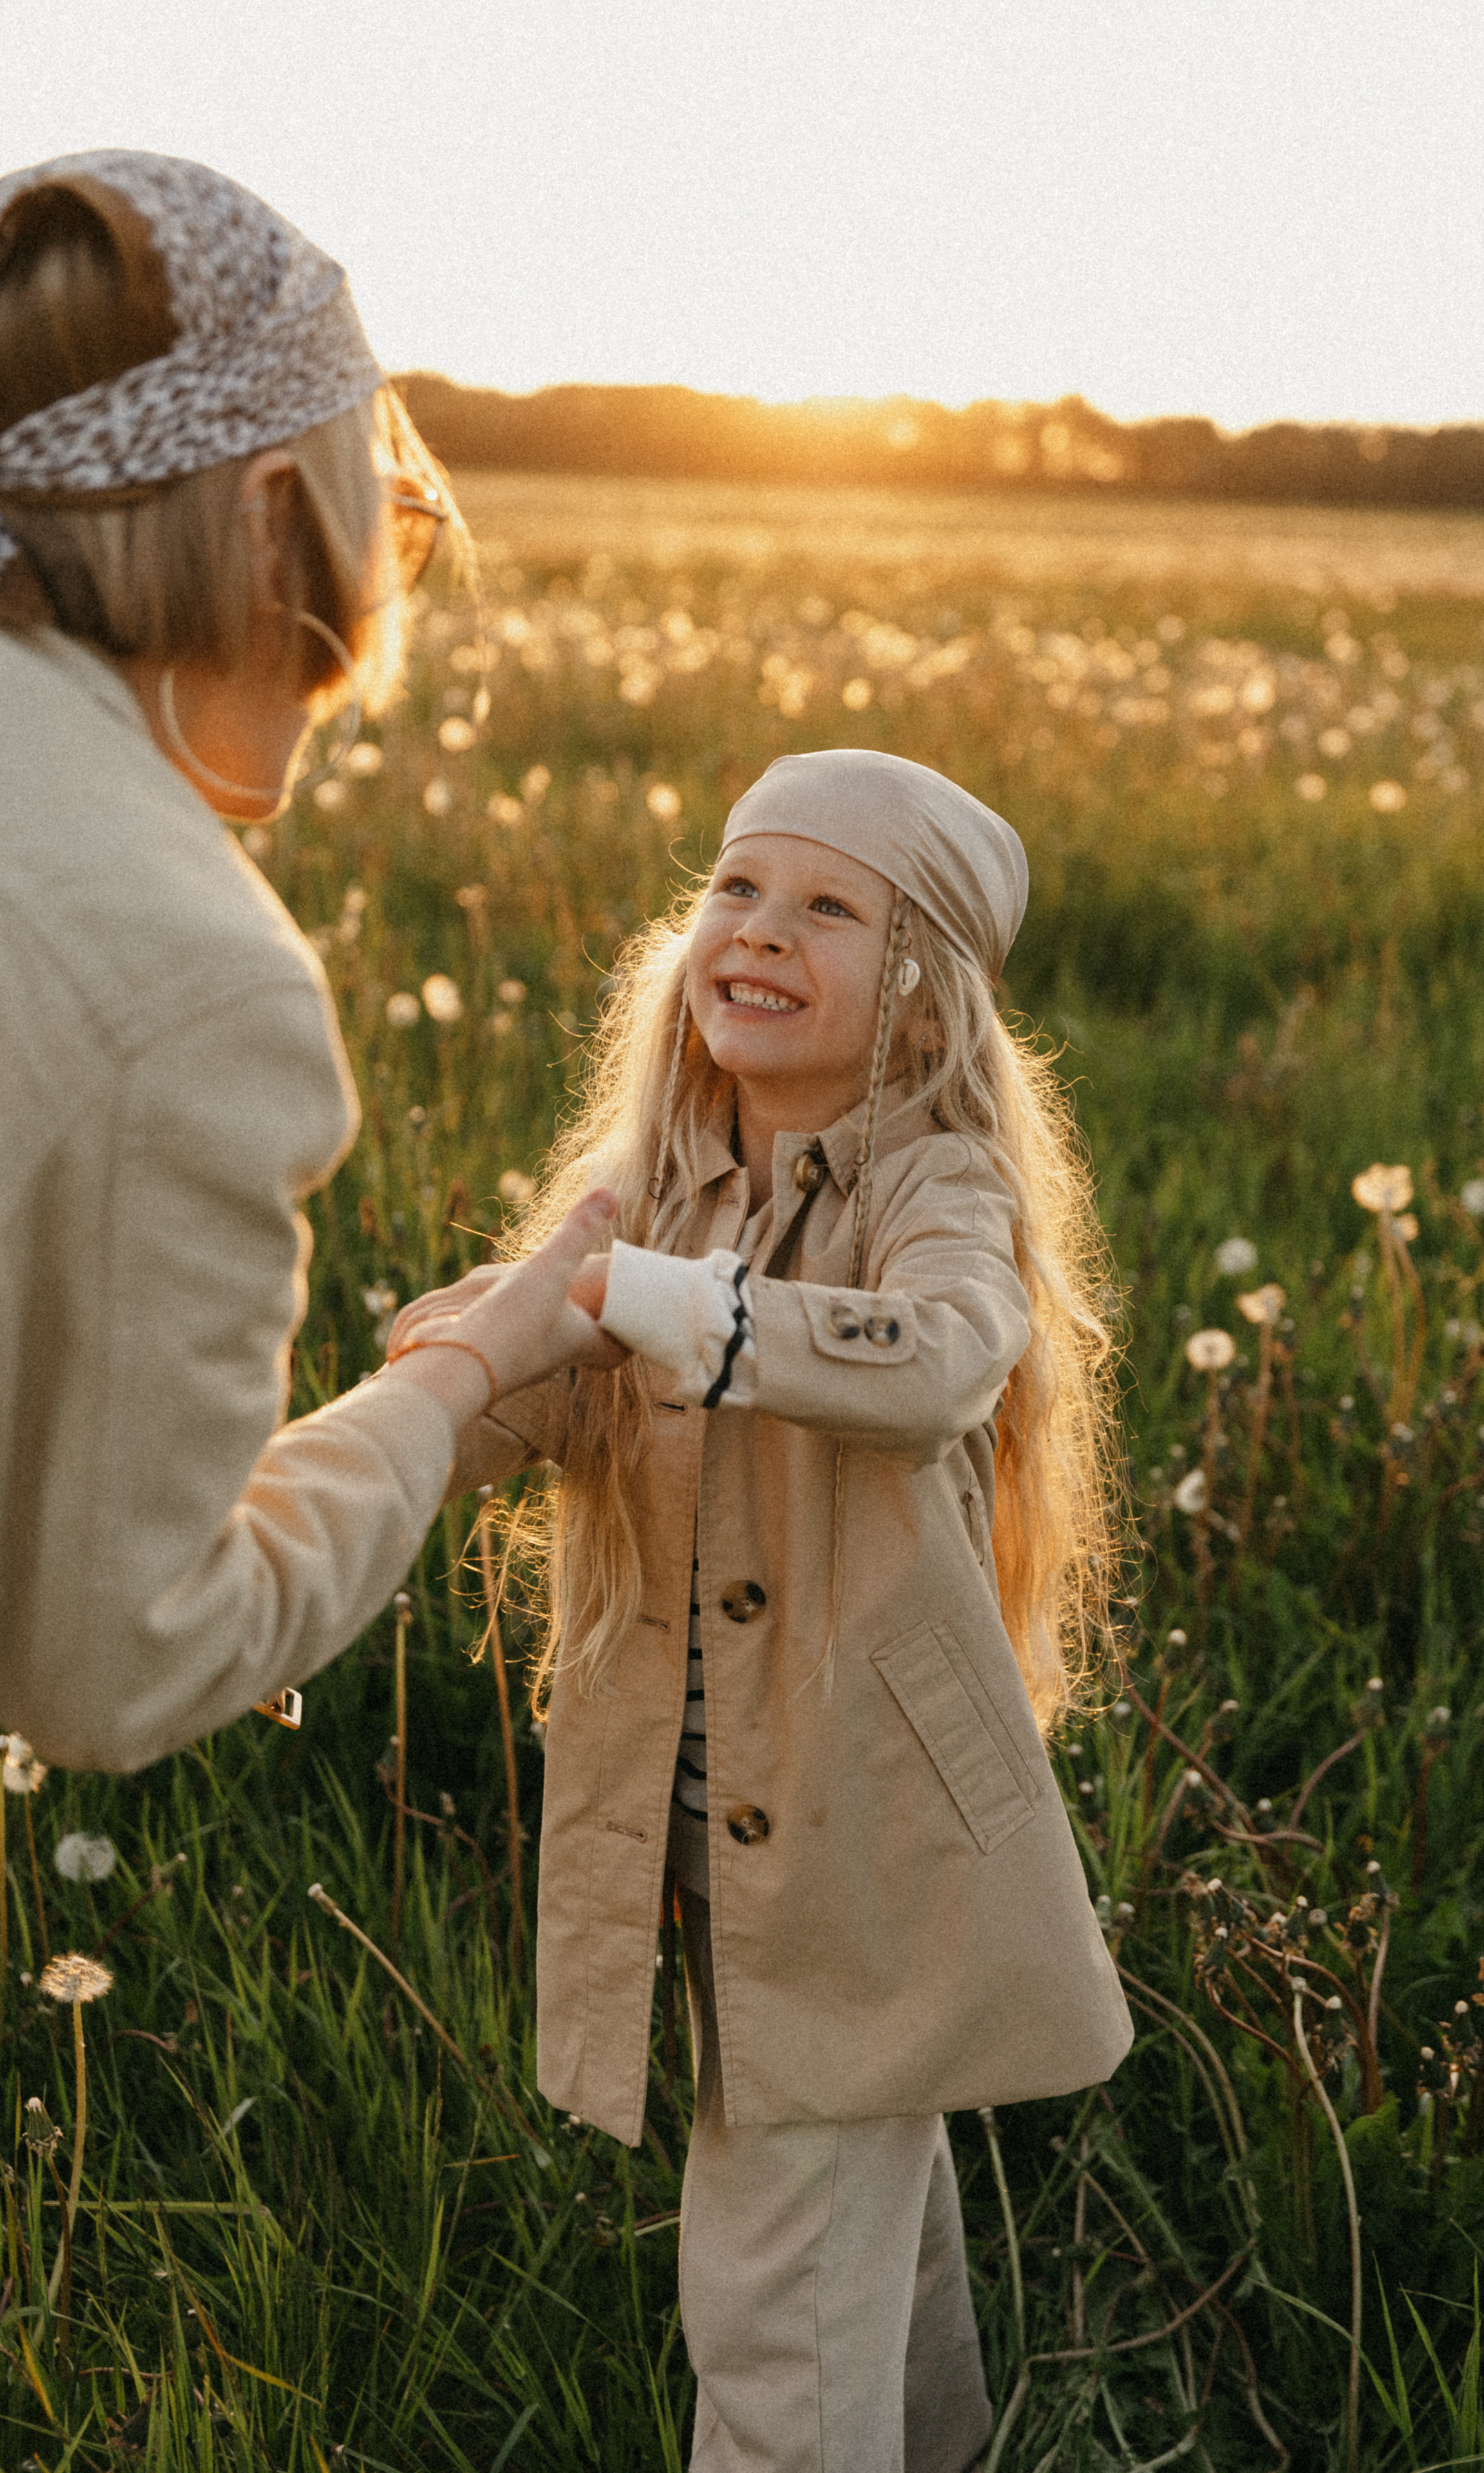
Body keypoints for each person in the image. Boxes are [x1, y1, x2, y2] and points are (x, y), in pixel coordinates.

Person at [401, 748, 1135, 2471]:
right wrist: (438, 1384)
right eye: (735, 888)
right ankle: (937, 2444)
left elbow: (943, 1359)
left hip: (855, 1815)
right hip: (704, 1805)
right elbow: (544, 1393)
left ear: (923, 995)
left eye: (828, 908)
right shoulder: (656, 1188)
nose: (758, 930)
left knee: (775, 2293)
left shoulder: (932, 1188)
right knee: (853, 2162)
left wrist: (663, 1304)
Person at [0, 150, 619, 1773]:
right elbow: (118, 1664)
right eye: (382, 530)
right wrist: (455, 1383)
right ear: (276, 520)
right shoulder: (188, 971)